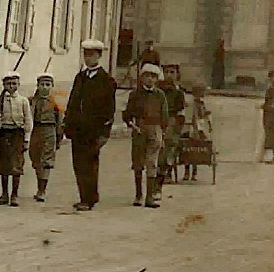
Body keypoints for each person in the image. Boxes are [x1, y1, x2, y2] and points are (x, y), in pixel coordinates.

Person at [63, 40, 117, 212]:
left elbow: (109, 109)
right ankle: (83, 197)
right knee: (78, 164)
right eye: (86, 55)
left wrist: (104, 133)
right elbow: (72, 102)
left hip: (93, 131)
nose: (88, 58)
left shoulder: (106, 81)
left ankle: (90, 198)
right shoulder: (80, 78)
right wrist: (67, 124)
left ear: (99, 56)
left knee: (90, 164)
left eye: (92, 55)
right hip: (78, 130)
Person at [123, 64, 169, 208]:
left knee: (152, 162)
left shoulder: (160, 95)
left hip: (155, 129)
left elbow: (164, 115)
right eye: (147, 76)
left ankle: (150, 197)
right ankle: (138, 195)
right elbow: (127, 114)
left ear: (157, 79)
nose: (150, 79)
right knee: (138, 162)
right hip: (139, 129)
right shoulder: (135, 94)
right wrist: (132, 125)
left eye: (153, 76)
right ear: (142, 77)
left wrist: (162, 131)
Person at [0, 72, 32, 207]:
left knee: (16, 164)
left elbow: (28, 121)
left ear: (19, 84)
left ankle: (14, 195)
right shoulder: (1, 100)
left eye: (14, 83)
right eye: (8, 83)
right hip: (4, 134)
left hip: (17, 135)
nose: (11, 86)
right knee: (4, 164)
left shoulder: (23, 100)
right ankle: (4, 194)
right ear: (4, 85)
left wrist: (26, 139)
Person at [29, 73, 62, 202]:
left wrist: (59, 137)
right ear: (37, 86)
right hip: (35, 130)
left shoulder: (56, 102)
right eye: (42, 84)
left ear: (52, 86)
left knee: (46, 160)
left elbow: (59, 120)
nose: (45, 87)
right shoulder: (32, 100)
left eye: (47, 85)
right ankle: (39, 186)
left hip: (50, 130)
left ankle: (42, 190)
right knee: (36, 158)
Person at [156, 64, 186, 192]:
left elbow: (181, 112)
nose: (169, 75)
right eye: (166, 72)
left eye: (172, 72)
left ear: (177, 75)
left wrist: (176, 127)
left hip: (172, 120)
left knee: (169, 144)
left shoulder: (178, 92)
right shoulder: (158, 90)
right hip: (158, 120)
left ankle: (165, 170)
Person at [181, 83, 211, 180]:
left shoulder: (201, 104)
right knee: (189, 150)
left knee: (194, 151)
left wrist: (208, 124)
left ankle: (192, 173)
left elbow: (205, 115)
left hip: (196, 129)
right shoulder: (191, 104)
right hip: (192, 129)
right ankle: (188, 173)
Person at [262, 70, 274, 164]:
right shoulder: (271, 88)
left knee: (273, 137)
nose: (272, 80)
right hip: (269, 116)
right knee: (271, 137)